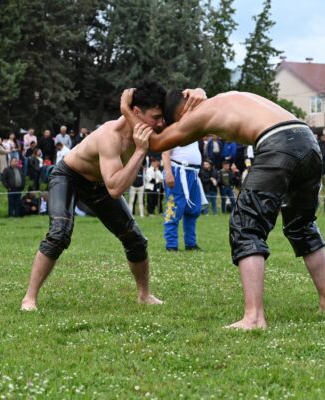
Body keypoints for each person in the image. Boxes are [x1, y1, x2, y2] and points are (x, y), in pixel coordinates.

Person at [120, 88, 325, 330]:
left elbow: (155, 143)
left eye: (172, 123)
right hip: (307, 140)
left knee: (246, 226)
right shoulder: (225, 98)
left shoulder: (198, 114)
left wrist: (126, 110)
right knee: (302, 225)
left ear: (181, 114)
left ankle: (254, 318)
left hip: (278, 143)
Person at [19, 81, 202, 312]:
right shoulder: (110, 136)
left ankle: (144, 295)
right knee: (59, 234)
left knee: (136, 240)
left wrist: (198, 94)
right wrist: (140, 151)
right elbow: (115, 189)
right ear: (137, 112)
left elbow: (194, 123)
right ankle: (29, 298)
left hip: (100, 183)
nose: (160, 123)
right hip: (69, 176)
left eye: (161, 117)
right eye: (155, 117)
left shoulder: (149, 129)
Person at [162, 139, 205, 251]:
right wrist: (168, 172)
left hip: (193, 173)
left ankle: (190, 243)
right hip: (178, 171)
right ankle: (171, 244)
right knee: (173, 208)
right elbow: (165, 152)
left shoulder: (194, 134)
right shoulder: (176, 132)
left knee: (193, 210)